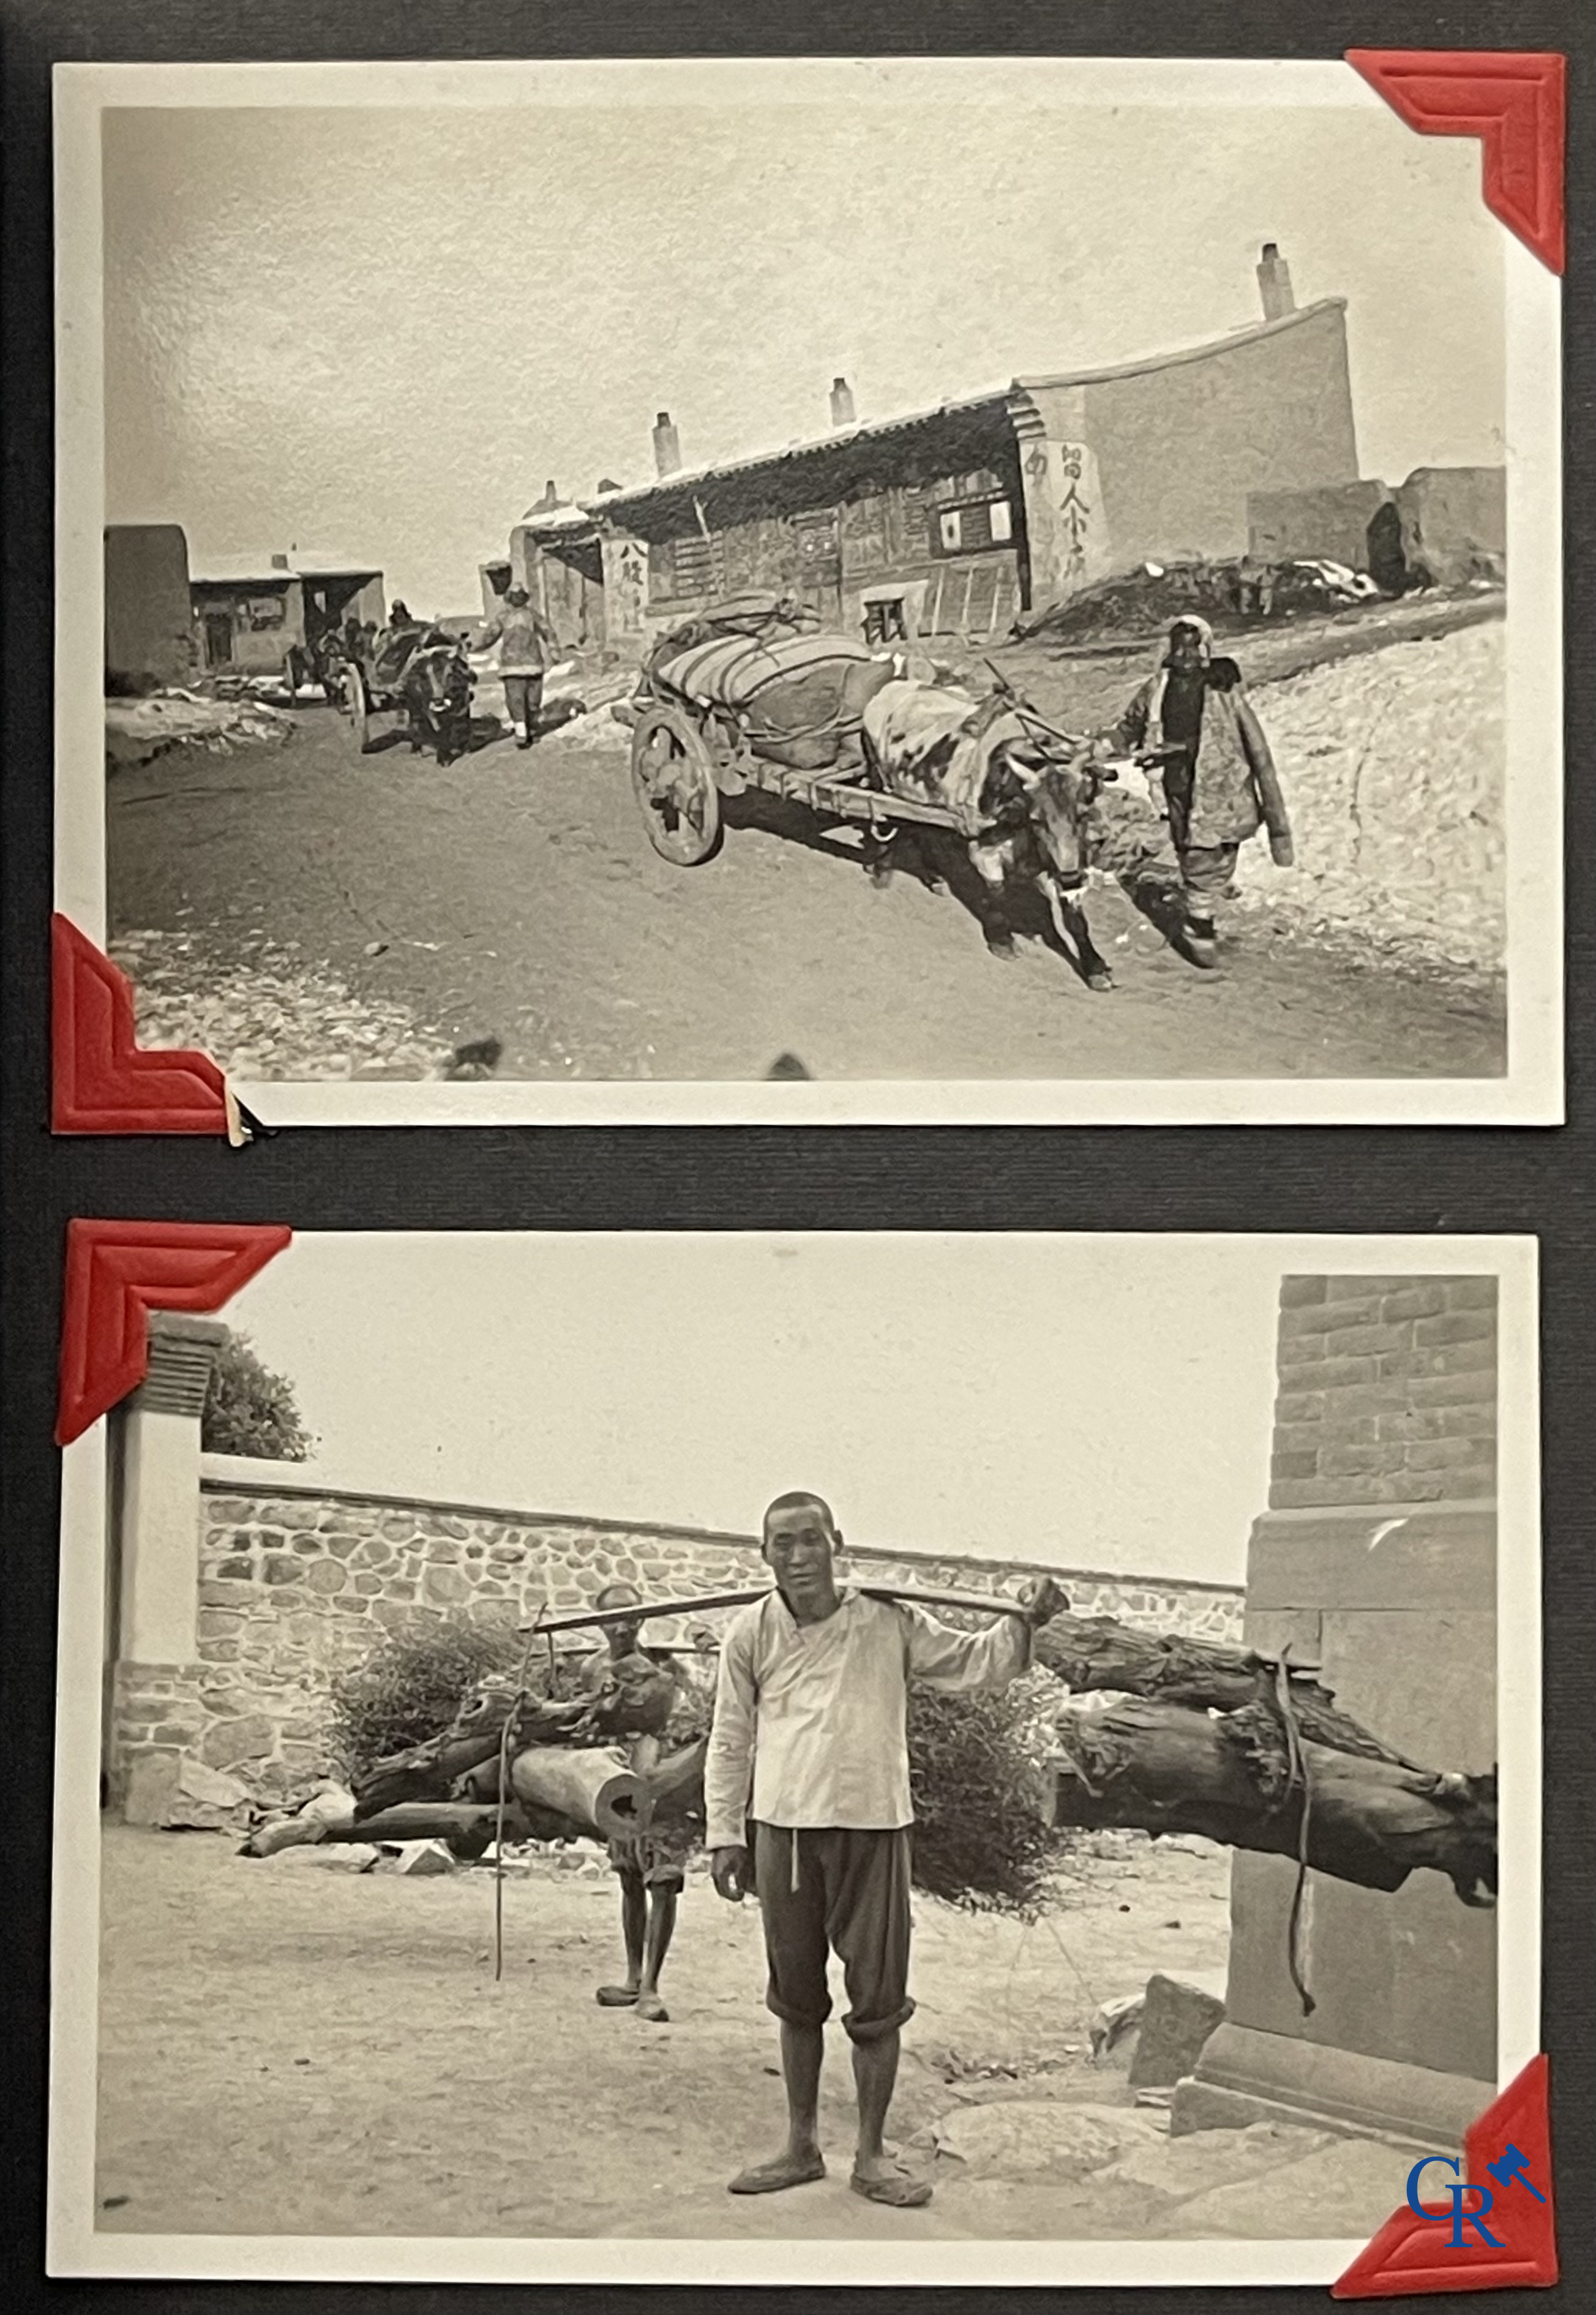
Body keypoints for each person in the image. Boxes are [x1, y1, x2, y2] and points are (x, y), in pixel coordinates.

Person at [704, 1491, 1065, 2208]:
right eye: (783, 1543)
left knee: (878, 2000)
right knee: (796, 1996)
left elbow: (978, 1663)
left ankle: (871, 2154)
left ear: (839, 1542)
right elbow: (730, 1737)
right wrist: (725, 1834)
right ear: (763, 1552)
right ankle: (801, 2145)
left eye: (813, 1539)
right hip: (786, 1831)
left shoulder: (889, 1618)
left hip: (874, 1829)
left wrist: (1026, 1617)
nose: (800, 1556)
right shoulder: (751, 1632)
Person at [1096, 614, 1293, 951]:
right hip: (1177, 782)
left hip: (1222, 787)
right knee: (1190, 847)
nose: (1186, 656)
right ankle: (1201, 918)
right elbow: (1131, 726)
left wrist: (1278, 827)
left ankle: (1203, 911)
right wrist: (1103, 745)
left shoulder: (1221, 688)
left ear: (1205, 649)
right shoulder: (1157, 689)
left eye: (1193, 648)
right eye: (1179, 648)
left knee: (1217, 846)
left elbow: (1258, 752)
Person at [584, 1581, 708, 2024]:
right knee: (629, 1877)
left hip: (663, 1782)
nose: (622, 1625)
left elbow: (694, 1706)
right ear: (598, 1620)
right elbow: (585, 1722)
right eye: (612, 1616)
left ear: (642, 1618)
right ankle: (633, 1976)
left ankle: (652, 1986)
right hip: (617, 1782)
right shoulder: (592, 1668)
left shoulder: (664, 1664)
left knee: (662, 1880)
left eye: (631, 1615)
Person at [474, 584, 560, 749]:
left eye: (520, 596)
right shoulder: (504, 617)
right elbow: (489, 636)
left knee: (530, 701)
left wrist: (554, 650)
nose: (518, 599)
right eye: (516, 596)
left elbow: (548, 632)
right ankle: (523, 733)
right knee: (520, 701)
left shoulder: (531, 616)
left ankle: (527, 730)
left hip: (529, 666)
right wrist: (474, 647)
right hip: (515, 667)